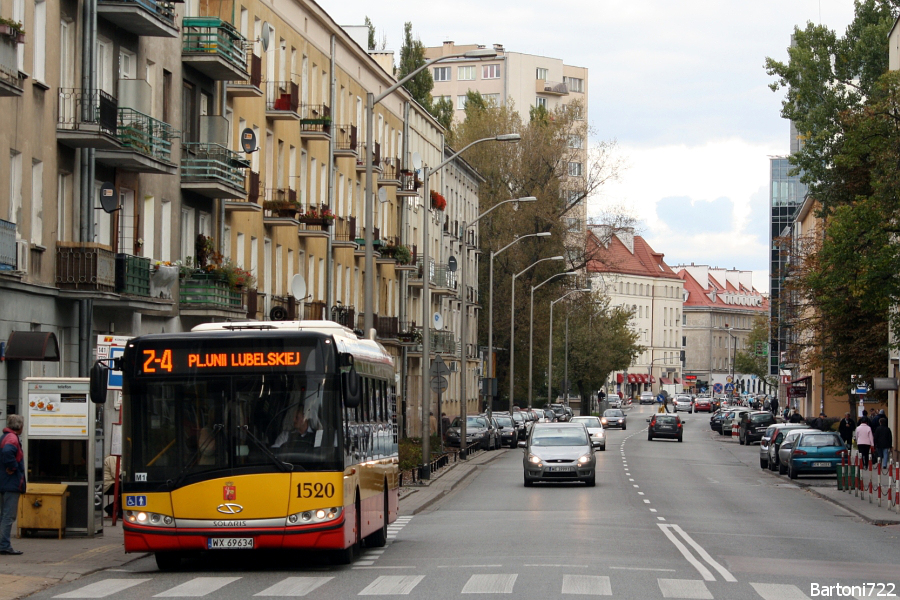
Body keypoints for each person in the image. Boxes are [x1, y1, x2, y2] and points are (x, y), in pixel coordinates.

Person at [0, 415, 25, 555]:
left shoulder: (5, 436)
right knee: (8, 516)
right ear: (20, 426)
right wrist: (13, 467)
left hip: (3, 482)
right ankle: (4, 545)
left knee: (3, 515)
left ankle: (2, 543)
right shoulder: (12, 438)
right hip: (11, 483)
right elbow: (8, 452)